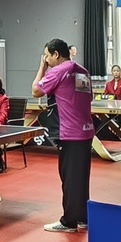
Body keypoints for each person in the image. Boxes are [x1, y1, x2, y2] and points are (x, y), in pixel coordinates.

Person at [34, 38, 93, 232]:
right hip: (85, 131)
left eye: (47, 56)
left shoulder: (58, 71)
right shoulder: (82, 71)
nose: (46, 59)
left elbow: (35, 90)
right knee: (81, 178)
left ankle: (69, 222)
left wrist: (42, 68)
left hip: (69, 133)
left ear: (56, 54)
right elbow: (87, 97)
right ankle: (83, 217)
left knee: (69, 179)